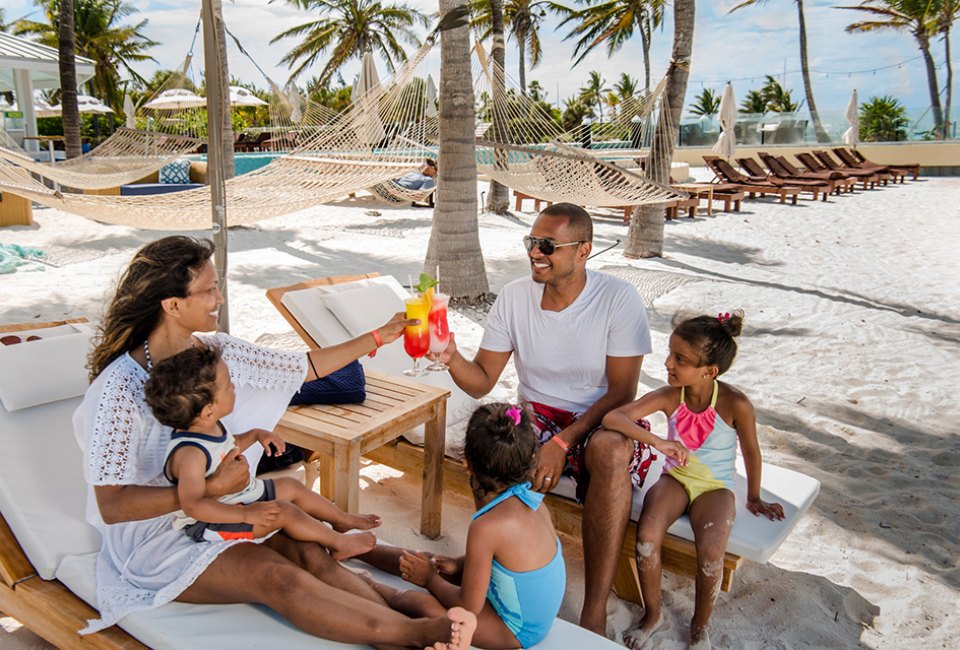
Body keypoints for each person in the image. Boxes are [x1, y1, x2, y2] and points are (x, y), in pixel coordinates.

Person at [73, 235, 476, 648]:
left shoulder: (216, 352)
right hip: (158, 540)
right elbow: (114, 505)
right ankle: (415, 635)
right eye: (209, 290)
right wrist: (210, 489)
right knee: (276, 575)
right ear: (172, 305)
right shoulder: (118, 392)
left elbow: (304, 366)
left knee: (308, 551)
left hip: (222, 509)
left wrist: (379, 336)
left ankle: (395, 608)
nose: (220, 298)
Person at [433, 202, 653, 634]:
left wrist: (562, 442)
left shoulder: (617, 299)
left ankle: (593, 608)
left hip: (598, 416)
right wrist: (451, 356)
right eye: (532, 242)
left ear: (583, 250)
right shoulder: (515, 296)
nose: (536, 252)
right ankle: (492, 572)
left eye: (548, 245)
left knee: (609, 451)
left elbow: (622, 392)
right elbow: (480, 382)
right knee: (491, 445)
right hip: (535, 415)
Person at [602, 311, 785, 650]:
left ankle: (700, 627)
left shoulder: (736, 403)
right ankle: (652, 614)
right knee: (646, 537)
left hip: (714, 487)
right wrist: (657, 441)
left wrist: (755, 496)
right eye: (670, 353)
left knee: (711, 552)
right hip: (676, 479)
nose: (668, 363)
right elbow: (614, 417)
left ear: (709, 371)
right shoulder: (671, 395)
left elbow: (752, 452)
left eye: (680, 359)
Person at [144, 346, 379, 558]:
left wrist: (256, 434)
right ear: (207, 410)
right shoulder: (189, 455)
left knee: (291, 486)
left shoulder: (209, 426)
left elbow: (227, 447)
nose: (234, 387)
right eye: (228, 386)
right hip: (214, 523)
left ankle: (341, 519)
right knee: (285, 511)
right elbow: (193, 505)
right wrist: (246, 516)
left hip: (240, 498)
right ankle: (339, 543)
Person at [365, 403, 565, 649]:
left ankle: (365, 584)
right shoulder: (532, 500)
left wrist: (429, 580)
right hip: (526, 610)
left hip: (517, 630)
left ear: (466, 463)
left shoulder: (487, 526)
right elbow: (509, 559)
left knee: (426, 606)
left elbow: (468, 607)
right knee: (434, 562)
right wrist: (458, 564)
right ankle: (362, 550)